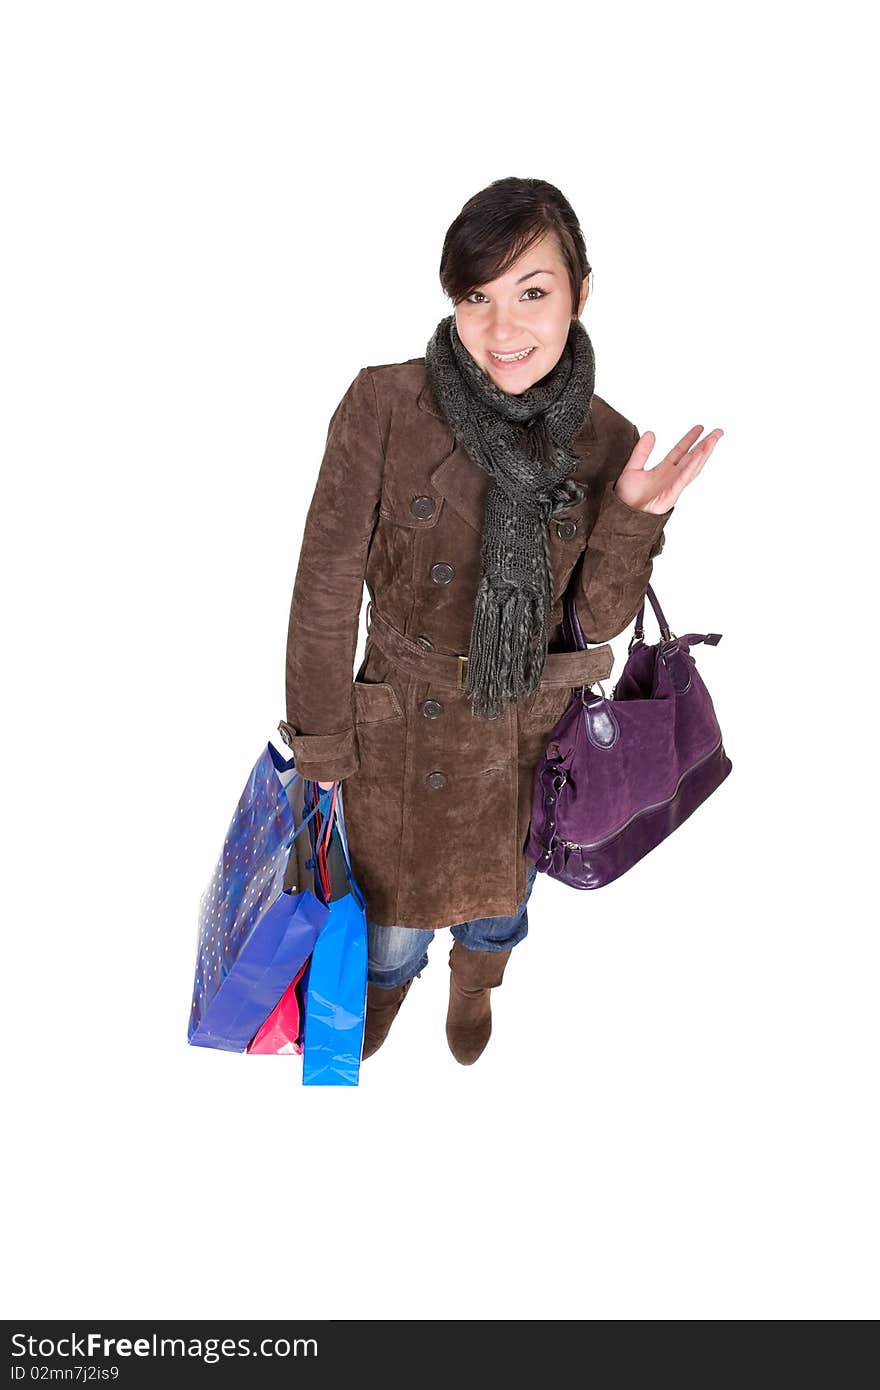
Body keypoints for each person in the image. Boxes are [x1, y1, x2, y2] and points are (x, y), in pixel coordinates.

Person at [278, 176, 722, 1066]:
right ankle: (387, 985)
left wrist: (633, 514)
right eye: (477, 296)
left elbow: (595, 621)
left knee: (501, 900)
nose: (503, 328)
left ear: (580, 294)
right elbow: (324, 587)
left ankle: (478, 983)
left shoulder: (604, 439)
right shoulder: (386, 404)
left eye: (533, 292)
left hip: (521, 732)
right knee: (392, 915)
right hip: (403, 723)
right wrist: (324, 750)